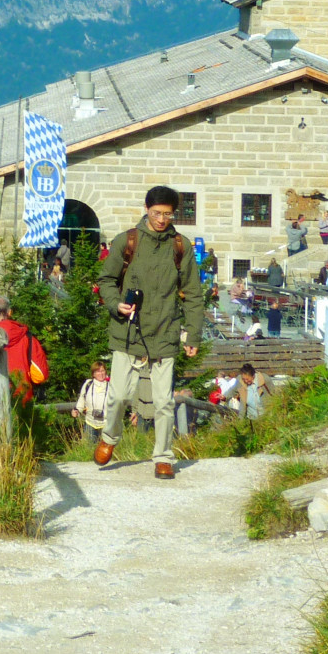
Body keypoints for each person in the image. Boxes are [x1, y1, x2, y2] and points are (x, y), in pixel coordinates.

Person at [93, 185, 206, 480]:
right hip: (127, 331)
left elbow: (193, 293)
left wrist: (193, 335)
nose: (161, 220)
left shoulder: (181, 246)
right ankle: (110, 437)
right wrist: (115, 304)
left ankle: (163, 456)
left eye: (168, 214)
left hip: (165, 331)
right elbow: (105, 280)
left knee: (164, 402)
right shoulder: (126, 241)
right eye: (157, 213)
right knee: (117, 397)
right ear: (146, 209)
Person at [74, 360, 110, 447]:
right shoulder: (88, 384)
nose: (100, 373)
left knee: (106, 449)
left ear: (105, 372)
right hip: (91, 421)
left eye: (102, 371)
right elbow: (82, 398)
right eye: (97, 371)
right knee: (90, 448)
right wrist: (77, 409)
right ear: (93, 374)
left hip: (107, 423)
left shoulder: (111, 385)